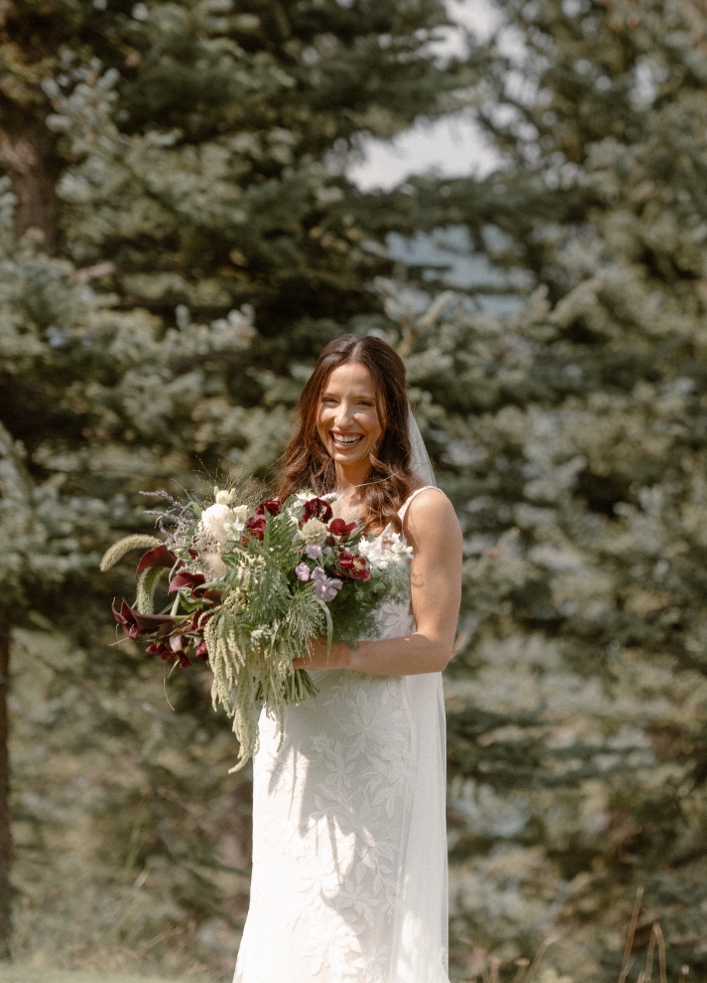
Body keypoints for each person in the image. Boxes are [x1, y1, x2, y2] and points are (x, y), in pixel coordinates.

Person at [232, 333, 462, 983]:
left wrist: (335, 653)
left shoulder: (425, 511)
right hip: (294, 746)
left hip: (370, 752)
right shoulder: (291, 512)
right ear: (312, 408)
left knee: (357, 936)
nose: (343, 419)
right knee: (291, 915)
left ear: (390, 412)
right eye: (330, 401)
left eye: (362, 403)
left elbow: (434, 645)